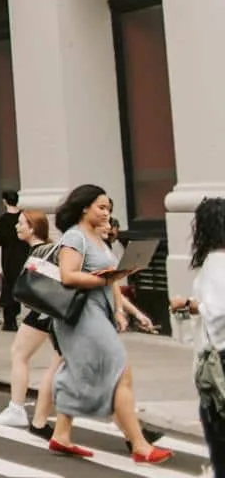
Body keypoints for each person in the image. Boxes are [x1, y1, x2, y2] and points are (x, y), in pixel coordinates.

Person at [44, 184, 172, 463]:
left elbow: (109, 278)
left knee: (80, 372)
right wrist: (105, 279)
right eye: (101, 207)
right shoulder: (75, 237)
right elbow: (68, 276)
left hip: (97, 312)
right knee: (120, 372)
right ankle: (139, 445)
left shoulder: (97, 239)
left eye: (109, 209)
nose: (106, 213)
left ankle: (61, 435)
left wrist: (119, 307)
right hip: (81, 314)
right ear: (84, 207)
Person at [0, 209, 62, 428]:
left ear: (33, 228)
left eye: (21, 223)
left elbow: (38, 289)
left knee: (19, 354)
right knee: (66, 362)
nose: (16, 227)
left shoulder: (39, 253)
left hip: (43, 311)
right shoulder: (48, 249)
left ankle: (17, 408)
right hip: (51, 312)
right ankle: (117, 408)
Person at [170, 197, 225, 475]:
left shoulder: (216, 262)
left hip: (219, 361)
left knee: (218, 431)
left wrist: (189, 304)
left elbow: (219, 312)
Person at [0, 190, 29, 332]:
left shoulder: (2, 220)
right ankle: (21, 314)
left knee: (9, 286)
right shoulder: (24, 217)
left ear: (4, 201)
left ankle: (10, 320)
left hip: (9, 255)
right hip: (24, 253)